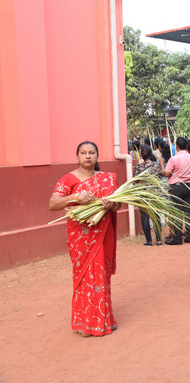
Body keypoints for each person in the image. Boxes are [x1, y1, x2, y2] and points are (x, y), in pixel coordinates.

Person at [49, 141, 121, 336]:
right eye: (83, 153)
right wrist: (75, 198)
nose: (87, 156)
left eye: (91, 152)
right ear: (77, 156)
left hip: (103, 233)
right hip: (81, 237)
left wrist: (112, 204)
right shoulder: (68, 179)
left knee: (102, 276)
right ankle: (85, 323)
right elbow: (53, 204)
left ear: (97, 156)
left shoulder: (107, 179)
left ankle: (103, 319)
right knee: (84, 276)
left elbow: (118, 206)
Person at [162, 137, 190, 245]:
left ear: (176, 147)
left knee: (176, 212)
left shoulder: (173, 159)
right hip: (189, 186)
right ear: (186, 146)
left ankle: (177, 238)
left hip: (176, 187)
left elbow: (167, 174)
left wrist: (162, 167)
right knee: (189, 212)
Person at [135, 145, 163, 247]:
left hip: (144, 194)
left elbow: (135, 181)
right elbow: (160, 176)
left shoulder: (138, 167)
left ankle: (149, 241)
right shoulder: (156, 165)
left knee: (145, 218)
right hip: (155, 194)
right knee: (156, 217)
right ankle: (159, 241)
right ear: (151, 154)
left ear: (141, 155)